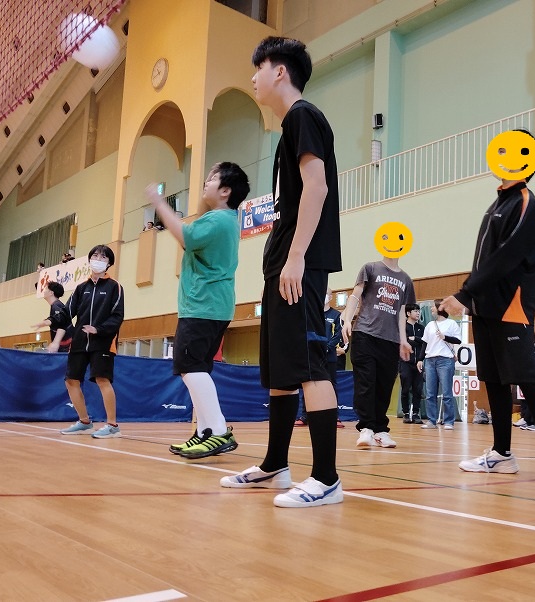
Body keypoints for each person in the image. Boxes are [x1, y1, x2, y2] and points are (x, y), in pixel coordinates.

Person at [220, 36, 343, 508]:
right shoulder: (288, 127)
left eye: (259, 68)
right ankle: (275, 462)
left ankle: (327, 478)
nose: (253, 78)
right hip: (283, 262)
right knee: (282, 369)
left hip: (300, 262)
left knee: (309, 363)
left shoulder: (302, 116)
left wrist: (296, 258)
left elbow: (317, 187)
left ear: (280, 72)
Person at [439, 129, 535, 484]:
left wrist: (464, 292)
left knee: (526, 379)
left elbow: (507, 257)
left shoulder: (526, 202)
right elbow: (486, 261)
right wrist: (473, 299)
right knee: (493, 381)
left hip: (512, 309)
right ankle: (502, 454)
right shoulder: (496, 204)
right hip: (485, 309)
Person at [147, 162, 250, 458]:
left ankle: (217, 430)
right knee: (196, 368)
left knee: (189, 366)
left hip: (203, 306)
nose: (206, 183)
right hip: (213, 306)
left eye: (212, 179)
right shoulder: (224, 219)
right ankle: (205, 431)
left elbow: (186, 236)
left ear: (225, 191)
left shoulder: (217, 219)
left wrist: (159, 203)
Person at [342, 250, 415, 448]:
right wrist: (347, 320)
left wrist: (403, 339)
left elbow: (401, 312)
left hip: (390, 340)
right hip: (365, 334)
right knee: (366, 383)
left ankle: (381, 431)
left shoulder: (406, 280)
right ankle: (366, 428)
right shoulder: (370, 268)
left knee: (384, 386)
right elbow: (355, 295)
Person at [60, 245, 124, 439]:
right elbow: (67, 312)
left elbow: (117, 316)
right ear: (89, 260)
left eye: (103, 257)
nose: (98, 259)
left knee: (102, 380)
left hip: (103, 341)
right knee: (71, 380)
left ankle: (112, 426)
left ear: (109, 263)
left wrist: (99, 329)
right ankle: (84, 422)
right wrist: (50, 320)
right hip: (80, 341)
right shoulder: (81, 288)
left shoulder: (115, 287)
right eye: (95, 255)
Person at [296, 288, 345, 429]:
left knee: (332, 385)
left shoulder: (336, 315)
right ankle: (305, 416)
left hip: (329, 357)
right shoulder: (312, 313)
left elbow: (338, 334)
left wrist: (328, 347)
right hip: (313, 355)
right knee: (308, 384)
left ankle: (335, 416)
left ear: (330, 297)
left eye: (326, 294)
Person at [419, 300, 461, 430]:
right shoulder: (430, 325)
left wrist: (445, 337)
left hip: (445, 360)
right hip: (430, 361)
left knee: (447, 393)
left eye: (433, 306)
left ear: (440, 308)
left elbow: (458, 340)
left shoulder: (451, 323)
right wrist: (420, 359)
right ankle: (431, 421)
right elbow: (424, 343)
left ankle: (449, 421)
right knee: (430, 393)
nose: (431, 308)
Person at [31, 281, 73, 353]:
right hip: (64, 347)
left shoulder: (56, 306)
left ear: (51, 293)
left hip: (66, 347)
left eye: (46, 289)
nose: (44, 291)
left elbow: (62, 325)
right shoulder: (56, 305)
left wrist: (55, 343)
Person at [399, 303, 424, 424]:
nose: (418, 313)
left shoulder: (421, 328)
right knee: (405, 389)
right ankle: (405, 413)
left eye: (418, 311)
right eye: (415, 311)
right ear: (408, 313)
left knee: (418, 389)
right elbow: (404, 342)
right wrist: (411, 340)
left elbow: (425, 342)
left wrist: (416, 339)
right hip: (405, 362)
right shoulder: (403, 327)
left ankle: (415, 413)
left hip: (418, 363)